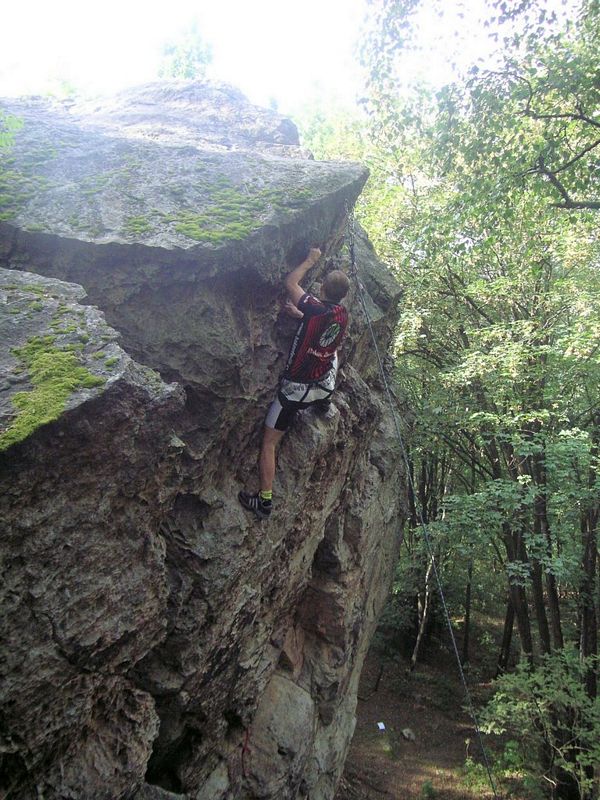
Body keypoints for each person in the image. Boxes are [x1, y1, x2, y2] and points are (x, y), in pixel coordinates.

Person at [238, 246, 350, 520]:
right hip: (323, 385)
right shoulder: (341, 314)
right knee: (332, 354)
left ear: (322, 289)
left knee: (269, 443)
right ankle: (324, 403)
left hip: (296, 391)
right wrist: (301, 317)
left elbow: (291, 283)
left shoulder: (315, 307)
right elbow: (322, 325)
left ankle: (264, 501)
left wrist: (310, 260)